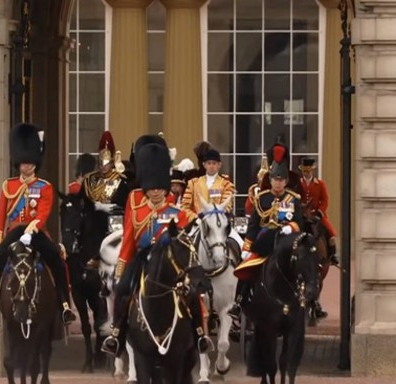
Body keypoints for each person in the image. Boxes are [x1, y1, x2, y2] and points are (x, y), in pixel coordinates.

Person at [100, 140, 213, 357]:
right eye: (152, 189)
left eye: (160, 188)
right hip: (142, 259)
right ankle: (116, 335)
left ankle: (200, 335)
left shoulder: (171, 207)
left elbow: (188, 218)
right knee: (123, 290)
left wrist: (200, 220)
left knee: (192, 292)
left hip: (169, 260)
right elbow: (130, 239)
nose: (156, 193)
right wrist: (122, 268)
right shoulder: (135, 204)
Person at [0, 123, 76, 330]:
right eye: (23, 163)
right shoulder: (8, 186)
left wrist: (31, 230)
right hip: (14, 232)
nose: (27, 166)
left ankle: (65, 306)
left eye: (30, 163)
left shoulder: (44, 187)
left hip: (36, 232)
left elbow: (43, 213)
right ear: (18, 163)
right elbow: (1, 216)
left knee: (57, 260)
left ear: (35, 163)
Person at [227, 162, 305, 321]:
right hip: (264, 243)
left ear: (286, 181)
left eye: (281, 180)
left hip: (286, 241)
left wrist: (291, 227)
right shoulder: (261, 199)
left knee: (304, 267)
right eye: (275, 179)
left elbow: (300, 223)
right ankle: (239, 302)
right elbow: (254, 225)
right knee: (248, 269)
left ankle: (307, 301)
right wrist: (247, 247)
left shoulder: (293, 199)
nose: (278, 183)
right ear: (270, 180)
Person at [298, 157, 338, 266]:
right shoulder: (298, 183)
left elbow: (325, 200)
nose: (306, 173)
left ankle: (332, 255)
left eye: (308, 171)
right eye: (304, 171)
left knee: (331, 233)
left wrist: (320, 212)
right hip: (301, 214)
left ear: (312, 170)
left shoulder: (320, 184)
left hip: (316, 214)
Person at [179, 147, 235, 220]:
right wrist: (196, 218)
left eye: (214, 163)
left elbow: (226, 207)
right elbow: (184, 207)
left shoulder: (227, 185)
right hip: (197, 223)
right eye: (209, 163)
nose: (211, 166)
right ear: (204, 165)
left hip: (218, 223)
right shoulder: (193, 183)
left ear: (219, 165)